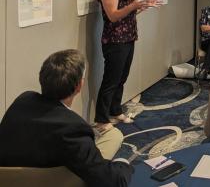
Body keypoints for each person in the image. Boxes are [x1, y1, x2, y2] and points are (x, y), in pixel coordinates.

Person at [0, 50, 133, 187]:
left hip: (7, 178)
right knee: (114, 136)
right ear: (79, 86)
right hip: (50, 180)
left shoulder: (23, 100)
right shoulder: (74, 128)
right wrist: (124, 165)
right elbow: (113, 182)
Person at [95, 0, 162, 133]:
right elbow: (113, 16)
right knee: (111, 80)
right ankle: (101, 119)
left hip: (128, 39)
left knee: (121, 78)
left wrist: (142, 6)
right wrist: (133, 6)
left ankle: (115, 111)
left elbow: (128, 14)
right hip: (115, 42)